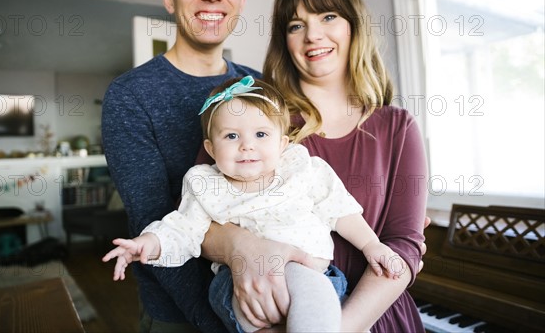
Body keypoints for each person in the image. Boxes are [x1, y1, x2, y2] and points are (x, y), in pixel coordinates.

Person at [101, 0, 309, 331]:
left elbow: (291, 178)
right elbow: (155, 221)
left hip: (272, 304)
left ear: (241, 1)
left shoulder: (260, 87)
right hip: (183, 317)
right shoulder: (130, 96)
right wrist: (220, 325)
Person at [207, 0, 429, 332]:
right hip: (278, 320)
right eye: (296, 25)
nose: (313, 35)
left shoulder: (397, 126)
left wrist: (334, 327)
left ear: (352, 26)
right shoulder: (256, 122)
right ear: (285, 40)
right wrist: (241, 248)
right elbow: (202, 217)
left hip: (376, 317)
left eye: (328, 16)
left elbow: (404, 246)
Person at [103, 76, 406, 333]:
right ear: (210, 148)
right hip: (240, 288)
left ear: (282, 144)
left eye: (261, 134)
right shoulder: (207, 184)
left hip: (312, 277)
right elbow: (182, 229)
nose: (247, 145)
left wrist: (372, 246)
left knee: (312, 292)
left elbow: (339, 209)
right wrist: (147, 243)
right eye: (231, 135)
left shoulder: (302, 170)